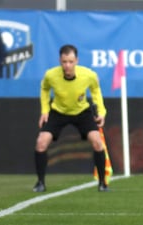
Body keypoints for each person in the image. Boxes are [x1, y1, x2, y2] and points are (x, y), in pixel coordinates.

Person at [33, 44, 109, 192]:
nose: (67, 65)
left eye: (71, 61)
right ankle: (40, 182)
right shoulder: (51, 75)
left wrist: (101, 111)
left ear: (77, 61)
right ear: (60, 61)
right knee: (41, 142)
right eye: (64, 62)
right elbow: (44, 88)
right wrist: (45, 110)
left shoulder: (88, 75)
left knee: (97, 142)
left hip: (81, 112)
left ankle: (102, 183)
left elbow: (95, 90)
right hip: (58, 112)